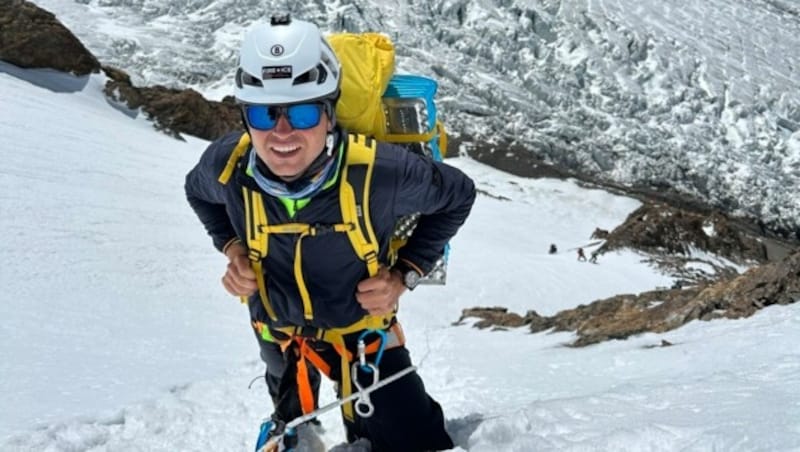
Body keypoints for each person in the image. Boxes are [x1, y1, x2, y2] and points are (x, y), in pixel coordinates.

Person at [185, 16, 475, 452]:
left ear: (328, 111)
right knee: (292, 421)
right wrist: (232, 248)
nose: (282, 132)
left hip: (363, 336)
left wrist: (406, 274)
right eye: (264, 114)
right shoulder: (228, 166)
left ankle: (342, 422)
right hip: (278, 330)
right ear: (245, 117)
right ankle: (293, 423)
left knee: (415, 443)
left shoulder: (378, 172)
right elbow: (197, 193)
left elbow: (458, 195)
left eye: (301, 111)